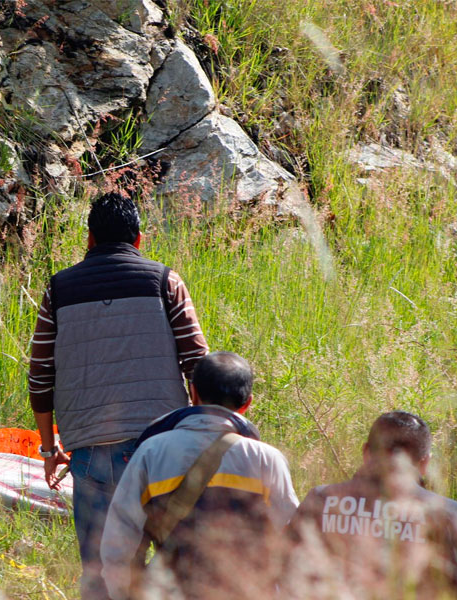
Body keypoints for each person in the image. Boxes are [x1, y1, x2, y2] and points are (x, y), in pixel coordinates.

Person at [27, 192, 209, 599]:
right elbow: (199, 365)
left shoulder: (58, 290)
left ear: (89, 239)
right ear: (139, 239)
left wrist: (48, 448)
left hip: (91, 454)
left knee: (100, 571)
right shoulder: (165, 282)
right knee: (173, 568)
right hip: (162, 450)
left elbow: (40, 377)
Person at [100, 352, 300, 600]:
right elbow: (292, 540)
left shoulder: (152, 452)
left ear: (193, 393)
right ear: (247, 403)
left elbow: (121, 541)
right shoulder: (266, 459)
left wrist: (125, 593)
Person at [285, 411, 457, 598]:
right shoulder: (446, 513)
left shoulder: (321, 500)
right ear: (425, 462)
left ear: (366, 452)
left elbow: (281, 564)